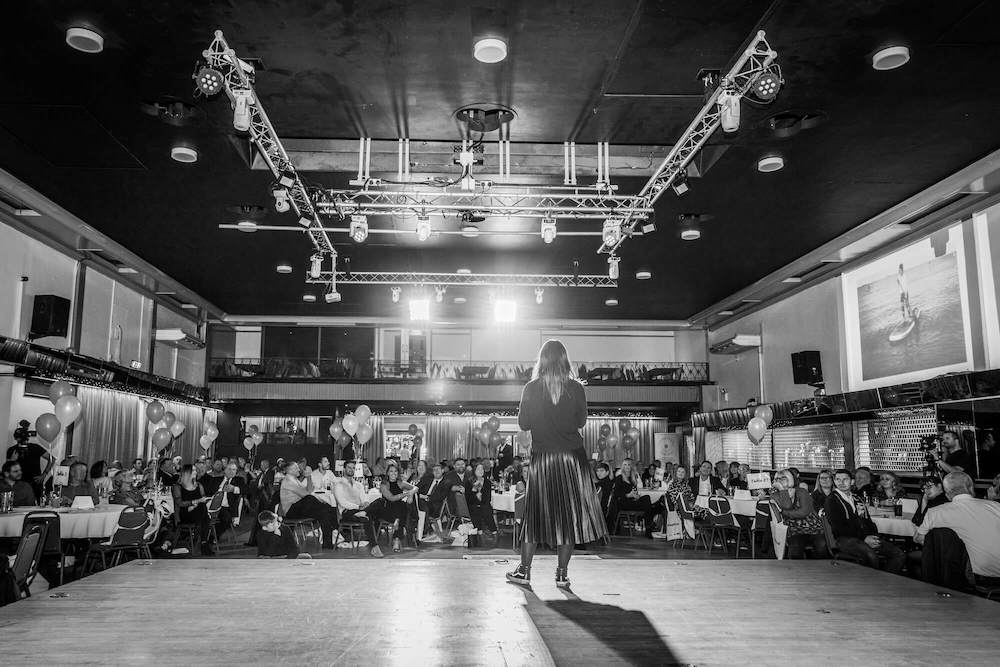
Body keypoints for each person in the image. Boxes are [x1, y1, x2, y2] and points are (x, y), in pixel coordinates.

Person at [507, 340, 607, 589]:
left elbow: (523, 423)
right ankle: (561, 574)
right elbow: (582, 421)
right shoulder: (576, 388)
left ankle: (525, 571)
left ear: (541, 360)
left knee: (534, 516)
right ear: (565, 360)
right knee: (569, 517)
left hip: (543, 460)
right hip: (572, 458)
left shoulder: (531, 388)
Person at [914, 472, 1000, 579]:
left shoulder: (936, 512)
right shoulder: (995, 506)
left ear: (946, 494)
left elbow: (918, 539)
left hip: (978, 574)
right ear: (971, 488)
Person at [824, 469, 904, 573]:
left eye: (845, 479)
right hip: (845, 539)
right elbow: (840, 528)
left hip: (864, 537)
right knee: (871, 556)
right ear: (834, 481)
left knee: (898, 554)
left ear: (852, 482)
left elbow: (868, 521)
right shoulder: (832, 500)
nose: (841, 482)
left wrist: (873, 536)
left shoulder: (857, 498)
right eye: (838, 479)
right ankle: (872, 584)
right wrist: (864, 538)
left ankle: (883, 581)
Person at [279, 461, 337, 550]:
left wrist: (309, 477)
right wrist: (320, 501)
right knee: (318, 503)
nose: (299, 469)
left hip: (299, 509)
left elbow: (309, 490)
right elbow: (306, 495)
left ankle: (327, 543)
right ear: (289, 470)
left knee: (323, 512)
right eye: (296, 468)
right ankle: (335, 527)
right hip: (291, 511)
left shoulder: (295, 480)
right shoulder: (288, 481)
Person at [771, 469, 826, 558]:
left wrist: (784, 512)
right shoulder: (774, 495)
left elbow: (804, 512)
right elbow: (787, 505)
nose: (780, 480)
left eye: (783, 478)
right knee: (795, 549)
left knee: (822, 546)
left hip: (813, 526)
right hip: (793, 529)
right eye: (777, 478)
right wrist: (782, 490)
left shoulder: (801, 491)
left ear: (790, 479)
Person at [333, 460, 382, 557]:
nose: (351, 470)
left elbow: (364, 498)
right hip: (347, 512)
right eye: (349, 467)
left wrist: (365, 504)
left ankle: (364, 512)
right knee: (367, 518)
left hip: (360, 511)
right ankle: (375, 547)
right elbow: (342, 502)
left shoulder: (358, 485)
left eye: (353, 468)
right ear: (344, 469)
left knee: (380, 501)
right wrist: (358, 507)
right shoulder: (339, 485)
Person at [611, 459, 659, 538]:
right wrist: (628, 495)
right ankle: (648, 528)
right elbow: (616, 495)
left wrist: (636, 496)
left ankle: (648, 527)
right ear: (623, 466)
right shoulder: (619, 478)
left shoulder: (632, 479)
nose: (627, 466)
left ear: (631, 467)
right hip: (623, 503)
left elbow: (634, 492)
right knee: (648, 506)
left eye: (629, 465)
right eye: (625, 465)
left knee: (646, 498)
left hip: (632, 501)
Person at [172, 464, 213, 555]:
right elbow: (180, 503)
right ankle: (203, 543)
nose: (196, 472)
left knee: (202, 510)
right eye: (193, 470)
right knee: (204, 514)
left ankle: (203, 542)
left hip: (197, 510)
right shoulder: (178, 486)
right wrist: (194, 502)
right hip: (185, 513)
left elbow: (203, 499)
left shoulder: (198, 485)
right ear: (187, 473)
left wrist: (194, 505)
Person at [6, 421, 53, 499]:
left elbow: (52, 458)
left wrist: (44, 474)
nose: (20, 440)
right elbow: (6, 469)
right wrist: (12, 460)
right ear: (15, 438)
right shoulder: (12, 450)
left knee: (36, 504)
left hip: (35, 482)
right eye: (18, 438)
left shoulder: (34, 447)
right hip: (18, 482)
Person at [377, 463, 416, 552]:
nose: (393, 473)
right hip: (387, 510)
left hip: (399, 510)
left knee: (402, 507)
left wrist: (411, 495)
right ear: (387, 473)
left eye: (395, 471)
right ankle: (396, 538)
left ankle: (397, 539)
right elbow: (392, 498)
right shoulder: (384, 485)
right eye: (391, 471)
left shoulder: (400, 483)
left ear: (398, 473)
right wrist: (406, 494)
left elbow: (415, 488)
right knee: (402, 507)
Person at [465, 462, 497, 536]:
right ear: (474, 471)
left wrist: (480, 498)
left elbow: (488, 498)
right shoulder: (469, 482)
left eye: (482, 469)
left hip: (484, 504)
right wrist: (474, 491)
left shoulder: (487, 482)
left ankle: (494, 531)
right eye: (478, 469)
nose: (481, 470)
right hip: (473, 505)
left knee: (486, 508)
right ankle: (479, 531)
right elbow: (468, 499)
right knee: (475, 508)